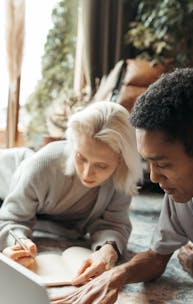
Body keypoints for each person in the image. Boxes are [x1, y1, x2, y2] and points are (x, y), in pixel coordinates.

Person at [51, 67, 193, 304]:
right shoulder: (183, 190)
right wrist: (117, 275)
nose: (156, 179)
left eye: (164, 164)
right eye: (149, 163)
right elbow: (158, 257)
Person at [0, 101, 142, 281]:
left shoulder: (121, 177)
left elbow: (114, 225)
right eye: (81, 158)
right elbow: (10, 218)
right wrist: (17, 243)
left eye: (101, 165)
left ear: (121, 161)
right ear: (73, 144)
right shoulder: (42, 164)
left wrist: (108, 250)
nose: (87, 172)